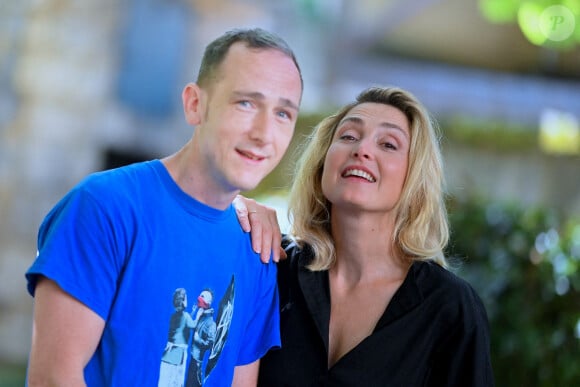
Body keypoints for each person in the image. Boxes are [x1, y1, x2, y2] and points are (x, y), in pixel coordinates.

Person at [25, 27, 303, 386]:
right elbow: (53, 377)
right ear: (194, 104)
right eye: (246, 103)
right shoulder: (104, 206)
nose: (264, 133)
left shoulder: (258, 249)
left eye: (283, 114)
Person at [236, 86, 494, 386]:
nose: (362, 150)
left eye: (388, 144)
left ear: (415, 177)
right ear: (322, 163)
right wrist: (236, 207)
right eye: (348, 137)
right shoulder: (271, 264)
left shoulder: (450, 308)